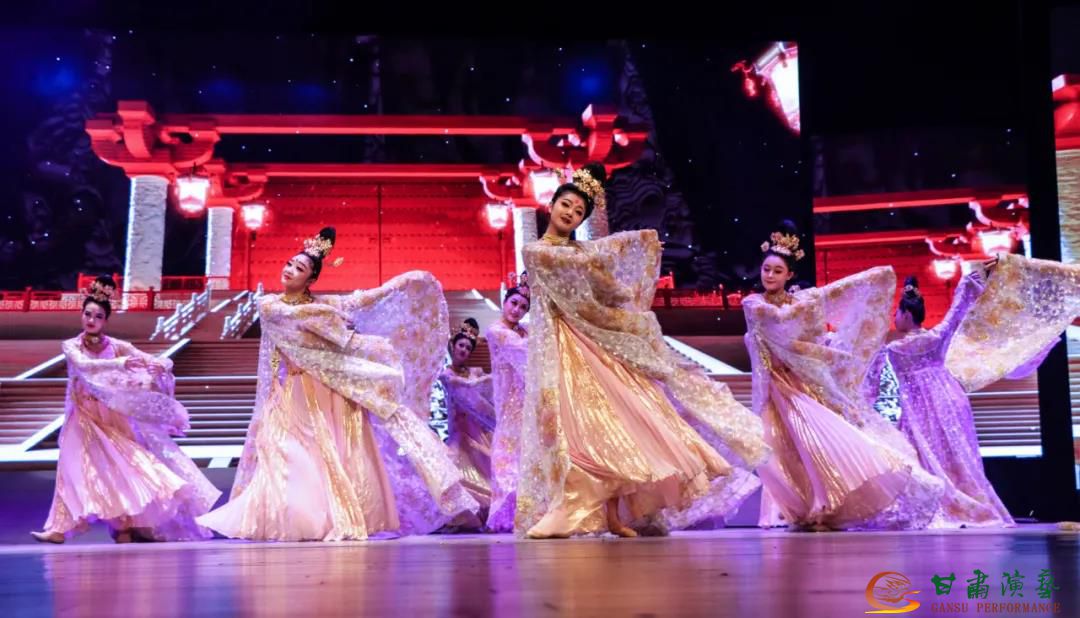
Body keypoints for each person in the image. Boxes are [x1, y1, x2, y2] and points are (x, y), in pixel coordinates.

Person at [516, 164, 769, 539]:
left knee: (613, 423)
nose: (570, 213)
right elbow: (577, 263)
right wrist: (618, 248)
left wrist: (635, 283)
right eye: (566, 204)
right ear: (550, 205)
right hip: (562, 346)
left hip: (596, 344)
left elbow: (611, 289)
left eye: (579, 211)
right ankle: (568, 507)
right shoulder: (536, 251)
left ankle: (613, 514)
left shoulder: (584, 253)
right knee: (574, 429)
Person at [197, 228, 478, 541]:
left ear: (311, 279)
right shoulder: (271, 305)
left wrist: (401, 283)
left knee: (332, 458)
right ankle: (290, 519)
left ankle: (329, 517)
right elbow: (301, 318)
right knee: (287, 455)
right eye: (290, 263)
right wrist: (333, 315)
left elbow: (360, 300)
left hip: (330, 390)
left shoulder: (324, 305)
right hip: (293, 393)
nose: (290, 270)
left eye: (300, 268)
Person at [743, 221, 944, 531]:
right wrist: (812, 301)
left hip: (799, 387)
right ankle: (802, 509)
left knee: (816, 446)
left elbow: (807, 334)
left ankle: (824, 506)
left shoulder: (801, 303)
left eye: (777, 271)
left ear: (789, 275)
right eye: (766, 269)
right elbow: (779, 318)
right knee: (780, 453)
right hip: (774, 389)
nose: (769, 275)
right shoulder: (753, 303)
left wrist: (871, 280)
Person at [31, 276, 220, 544]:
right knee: (71, 470)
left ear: (106, 320)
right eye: (87, 314)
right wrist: (120, 364)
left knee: (124, 470)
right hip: (83, 416)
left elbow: (156, 359)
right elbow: (84, 365)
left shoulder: (117, 346)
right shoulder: (72, 346)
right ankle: (58, 529)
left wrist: (162, 365)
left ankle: (124, 527)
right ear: (81, 315)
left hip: (113, 416)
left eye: (98, 316)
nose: (91, 320)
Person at [438, 318, 496, 519]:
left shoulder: (475, 371)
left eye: (468, 348)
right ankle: (462, 516)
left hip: (479, 430)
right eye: (461, 345)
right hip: (460, 430)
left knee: (486, 469)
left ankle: (485, 513)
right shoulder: (446, 373)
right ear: (453, 346)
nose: (464, 350)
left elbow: (488, 389)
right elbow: (457, 385)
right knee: (455, 468)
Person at [484, 287, 529, 532]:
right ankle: (507, 515)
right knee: (507, 457)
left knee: (527, 456)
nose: (517, 310)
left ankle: (528, 512)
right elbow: (524, 350)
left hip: (528, 401)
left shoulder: (523, 331)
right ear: (504, 301)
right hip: (509, 402)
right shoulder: (496, 331)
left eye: (523, 307)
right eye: (514, 303)